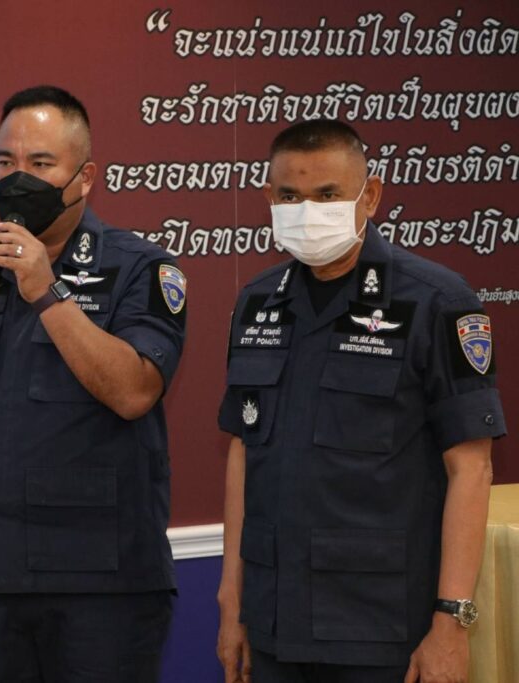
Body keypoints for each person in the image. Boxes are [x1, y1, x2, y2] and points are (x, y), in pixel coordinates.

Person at [215, 119, 506, 683]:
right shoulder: (257, 303)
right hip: (274, 618)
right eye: (290, 196)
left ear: (369, 196)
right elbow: (243, 451)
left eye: (327, 195)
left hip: (381, 624)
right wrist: (233, 599)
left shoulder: (436, 300)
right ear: (269, 198)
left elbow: (471, 467)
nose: (307, 211)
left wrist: (451, 622)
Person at [0, 85, 186, 682]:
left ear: (84, 178)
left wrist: (47, 291)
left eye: (40, 164)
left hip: (104, 583)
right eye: (5, 162)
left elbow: (134, 392)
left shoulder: (141, 269)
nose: (19, 179)